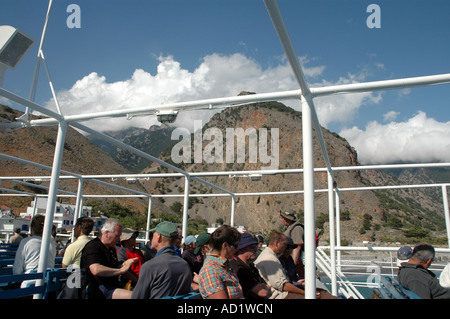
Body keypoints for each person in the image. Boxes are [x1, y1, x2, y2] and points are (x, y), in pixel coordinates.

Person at [131, 221, 192, 299]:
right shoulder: (185, 265)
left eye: (153, 235)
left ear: (158, 237)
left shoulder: (150, 267)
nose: (151, 238)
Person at [81, 218, 138, 299]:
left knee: (141, 292)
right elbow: (95, 269)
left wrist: (138, 282)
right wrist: (120, 270)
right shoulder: (93, 246)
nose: (119, 239)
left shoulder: (110, 248)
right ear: (107, 233)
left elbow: (121, 269)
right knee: (136, 296)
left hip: (112, 286)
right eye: (117, 236)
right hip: (98, 288)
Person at [254, 231, 307, 299]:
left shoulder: (270, 256)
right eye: (284, 244)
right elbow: (282, 285)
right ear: (276, 243)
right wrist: (306, 293)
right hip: (277, 296)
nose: (285, 247)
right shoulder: (270, 259)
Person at [198, 225, 244, 299]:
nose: (237, 249)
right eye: (235, 245)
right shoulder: (211, 270)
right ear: (225, 245)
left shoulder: (224, 265)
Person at [13, 215, 56, 286]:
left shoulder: (26, 242)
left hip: (30, 285)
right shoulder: (51, 243)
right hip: (48, 284)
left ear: (32, 228)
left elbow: (17, 271)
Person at [230, 232, 271, 299]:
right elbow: (263, 292)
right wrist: (263, 287)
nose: (255, 249)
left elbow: (266, 287)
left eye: (255, 246)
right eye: (252, 246)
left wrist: (264, 287)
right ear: (241, 249)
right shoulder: (238, 268)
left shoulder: (251, 266)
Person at [280, 211, 318, 280]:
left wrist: (292, 265)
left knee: (298, 281)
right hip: (290, 260)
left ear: (287, 219)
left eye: (282, 218)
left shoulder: (296, 229)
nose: (281, 220)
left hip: (295, 262)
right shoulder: (290, 227)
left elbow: (297, 247)